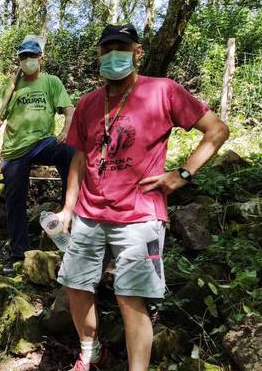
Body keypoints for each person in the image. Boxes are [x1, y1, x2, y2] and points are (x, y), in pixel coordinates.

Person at [56, 24, 229, 371]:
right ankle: (90, 352)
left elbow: (217, 129)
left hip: (139, 215)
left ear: (137, 52)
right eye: (107, 49)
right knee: (75, 286)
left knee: (130, 298)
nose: (112, 54)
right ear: (99, 55)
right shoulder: (89, 103)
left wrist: (181, 174)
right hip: (89, 214)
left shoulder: (163, 91)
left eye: (121, 47)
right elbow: (78, 158)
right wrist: (67, 208)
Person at [0, 37, 75, 268]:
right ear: (19, 61)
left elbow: (69, 109)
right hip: (15, 149)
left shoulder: (51, 82)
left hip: (42, 142)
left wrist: (65, 130)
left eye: (31, 56)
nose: (27, 61)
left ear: (40, 59)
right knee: (15, 200)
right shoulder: (12, 87)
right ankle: (19, 251)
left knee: (70, 152)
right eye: (23, 57)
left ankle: (68, 211)